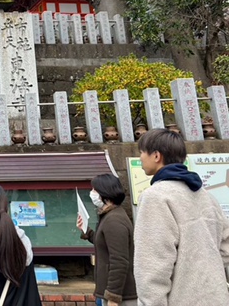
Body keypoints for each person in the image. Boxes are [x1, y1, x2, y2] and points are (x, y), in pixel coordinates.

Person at [134, 128, 229, 306]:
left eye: (141, 152)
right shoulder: (206, 196)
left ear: (156, 156)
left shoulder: (156, 196)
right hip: (216, 297)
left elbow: (152, 264)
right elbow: (226, 246)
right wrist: (200, 267)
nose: (140, 158)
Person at [77, 174, 137, 306]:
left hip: (117, 297)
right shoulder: (110, 216)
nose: (91, 193)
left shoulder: (114, 220)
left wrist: (113, 298)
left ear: (105, 193)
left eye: (95, 190)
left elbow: (119, 261)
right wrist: (86, 231)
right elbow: (104, 243)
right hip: (107, 293)